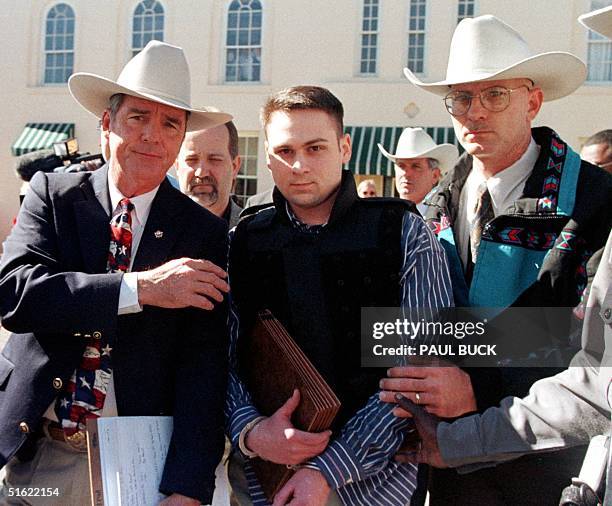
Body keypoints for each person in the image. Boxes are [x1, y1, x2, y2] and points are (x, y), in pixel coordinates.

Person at [380, 14, 612, 505]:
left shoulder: (596, 201)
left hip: (548, 470)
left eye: (494, 95)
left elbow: (591, 353)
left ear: (533, 101)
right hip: (445, 468)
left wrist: (477, 387)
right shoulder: (431, 208)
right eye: (461, 98)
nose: (475, 112)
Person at [0, 41, 232, 506]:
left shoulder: (202, 232)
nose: (153, 135)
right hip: (37, 453)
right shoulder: (54, 193)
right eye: (138, 117)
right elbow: (15, 295)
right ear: (107, 123)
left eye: (170, 124)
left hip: (132, 467)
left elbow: (202, 370)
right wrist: (140, 289)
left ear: (181, 137)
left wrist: (187, 487)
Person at [225, 85, 453, 505]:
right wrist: (253, 431)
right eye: (285, 151)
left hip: (379, 486)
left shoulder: (400, 233)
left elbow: (416, 368)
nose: (299, 165)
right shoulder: (244, 242)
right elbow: (223, 356)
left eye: (315, 148)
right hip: (265, 484)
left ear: (345, 147)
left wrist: (329, 470)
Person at [176, 121, 244, 227]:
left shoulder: (256, 237)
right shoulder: (149, 229)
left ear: (235, 167)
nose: (201, 173)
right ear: (177, 166)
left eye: (214, 159)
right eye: (192, 159)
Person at [378, 127, 458, 214]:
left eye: (415, 166)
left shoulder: (445, 217)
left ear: (435, 175)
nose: (406, 173)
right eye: (401, 166)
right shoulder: (383, 217)